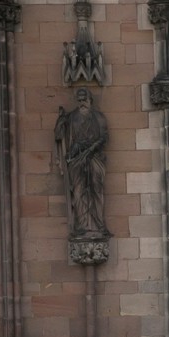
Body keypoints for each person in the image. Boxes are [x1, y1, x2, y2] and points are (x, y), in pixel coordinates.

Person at [55, 88, 111, 240]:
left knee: (96, 188)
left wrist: (93, 147)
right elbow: (59, 135)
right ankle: (82, 224)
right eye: (79, 100)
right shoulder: (71, 117)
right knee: (78, 190)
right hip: (76, 159)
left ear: (90, 100)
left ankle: (98, 223)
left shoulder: (98, 117)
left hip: (94, 158)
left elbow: (104, 136)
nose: (81, 103)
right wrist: (60, 122)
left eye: (84, 100)